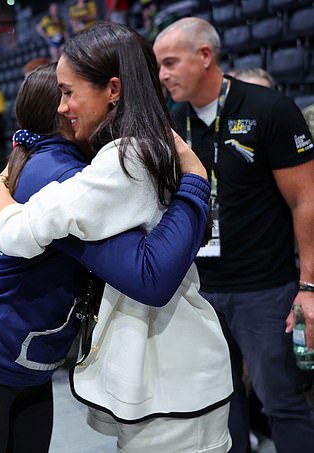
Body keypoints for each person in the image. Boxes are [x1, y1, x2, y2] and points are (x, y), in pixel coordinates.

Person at [0, 61, 228, 452]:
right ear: (63, 112)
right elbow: (150, 276)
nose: (71, 103)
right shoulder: (63, 175)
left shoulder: (58, 164)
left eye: (75, 92)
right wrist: (196, 180)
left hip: (28, 373)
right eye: (66, 93)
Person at [153, 17, 314, 453]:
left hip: (264, 290)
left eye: (170, 63)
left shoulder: (269, 110)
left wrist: (309, 287)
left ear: (205, 56)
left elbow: (306, 201)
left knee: (281, 401)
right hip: (200, 291)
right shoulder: (173, 121)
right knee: (223, 404)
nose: (163, 75)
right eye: (159, 66)